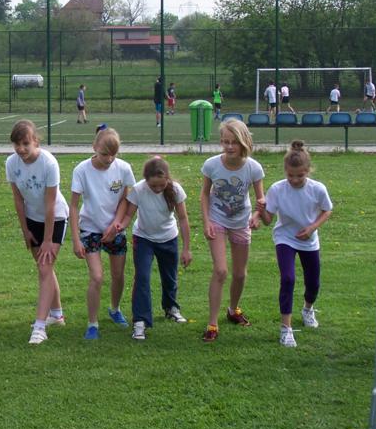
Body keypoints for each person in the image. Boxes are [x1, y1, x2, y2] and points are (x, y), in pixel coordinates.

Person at [258, 140, 333, 347]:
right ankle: (286, 328)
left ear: (308, 171)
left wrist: (312, 228)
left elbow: (327, 210)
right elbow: (268, 220)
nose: (294, 180)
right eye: (290, 175)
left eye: (300, 175)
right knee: (288, 279)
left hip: (308, 240)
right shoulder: (277, 189)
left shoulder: (317, 189)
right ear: (285, 171)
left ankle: (308, 309)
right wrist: (261, 211)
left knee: (313, 283)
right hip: (285, 238)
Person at [200, 118, 265, 342]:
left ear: (243, 142)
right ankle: (212, 324)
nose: (229, 147)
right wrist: (206, 221)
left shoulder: (253, 168)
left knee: (239, 273)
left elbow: (261, 200)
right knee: (220, 271)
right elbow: (204, 194)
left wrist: (256, 216)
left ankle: (233, 310)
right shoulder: (212, 165)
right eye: (225, 142)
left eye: (233, 142)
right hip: (217, 219)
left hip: (241, 221)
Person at [6, 120, 69, 345]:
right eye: (17, 144)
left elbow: (50, 204)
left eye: (25, 143)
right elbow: (18, 199)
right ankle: (57, 315)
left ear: (35, 141)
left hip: (55, 218)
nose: (21, 149)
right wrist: (25, 230)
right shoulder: (11, 163)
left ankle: (40, 327)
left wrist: (48, 240)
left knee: (44, 269)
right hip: (32, 220)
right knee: (45, 269)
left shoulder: (48, 163)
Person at [70, 126, 136, 340]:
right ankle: (92, 324)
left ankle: (115, 309)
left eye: (113, 154)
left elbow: (126, 199)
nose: (109, 159)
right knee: (97, 277)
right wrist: (75, 240)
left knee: (118, 275)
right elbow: (73, 206)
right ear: (94, 147)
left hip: (115, 230)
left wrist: (116, 226)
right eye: (105, 154)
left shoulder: (123, 168)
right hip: (89, 229)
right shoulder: (81, 170)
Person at [118, 156, 192, 341]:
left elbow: (183, 219)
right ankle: (140, 321)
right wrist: (119, 226)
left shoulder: (175, 190)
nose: (158, 189)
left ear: (167, 178)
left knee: (170, 276)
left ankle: (171, 308)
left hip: (169, 238)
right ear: (146, 180)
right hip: (144, 239)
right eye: (154, 186)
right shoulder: (139, 190)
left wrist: (186, 248)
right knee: (142, 277)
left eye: (161, 185)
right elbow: (128, 215)